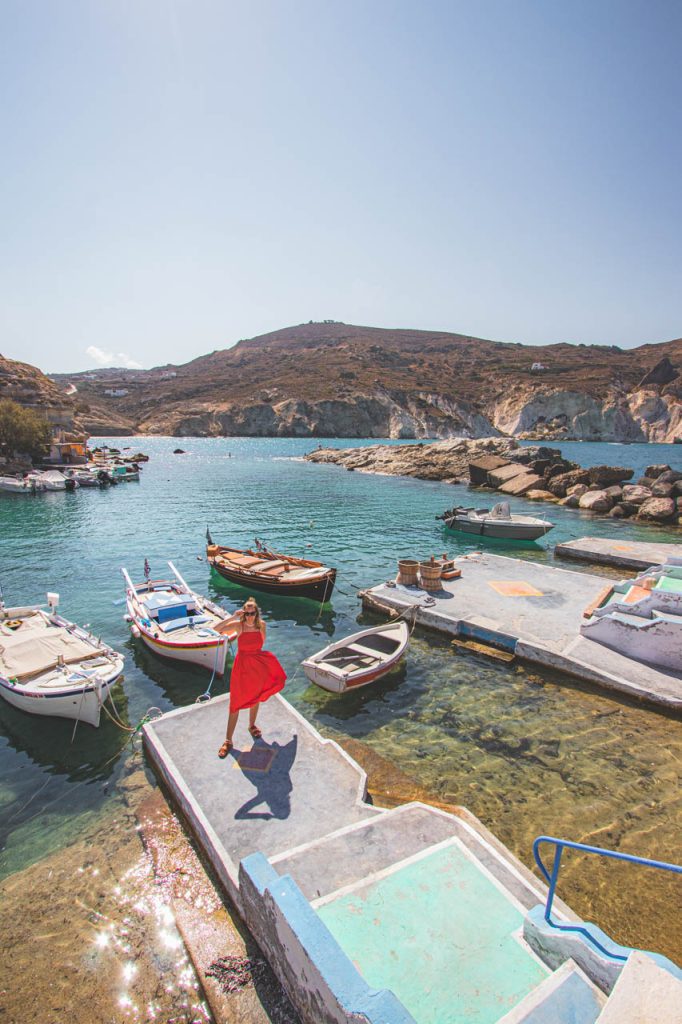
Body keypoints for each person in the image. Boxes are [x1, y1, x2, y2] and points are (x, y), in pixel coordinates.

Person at [218, 597, 286, 757]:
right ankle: (228, 740)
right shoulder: (238, 625)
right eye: (246, 613)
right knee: (235, 704)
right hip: (242, 667)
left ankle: (251, 725)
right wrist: (233, 617)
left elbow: (262, 641)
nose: (249, 616)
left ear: (256, 614)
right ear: (243, 613)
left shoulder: (261, 625)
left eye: (252, 613)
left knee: (257, 696)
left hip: (257, 665)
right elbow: (216, 629)